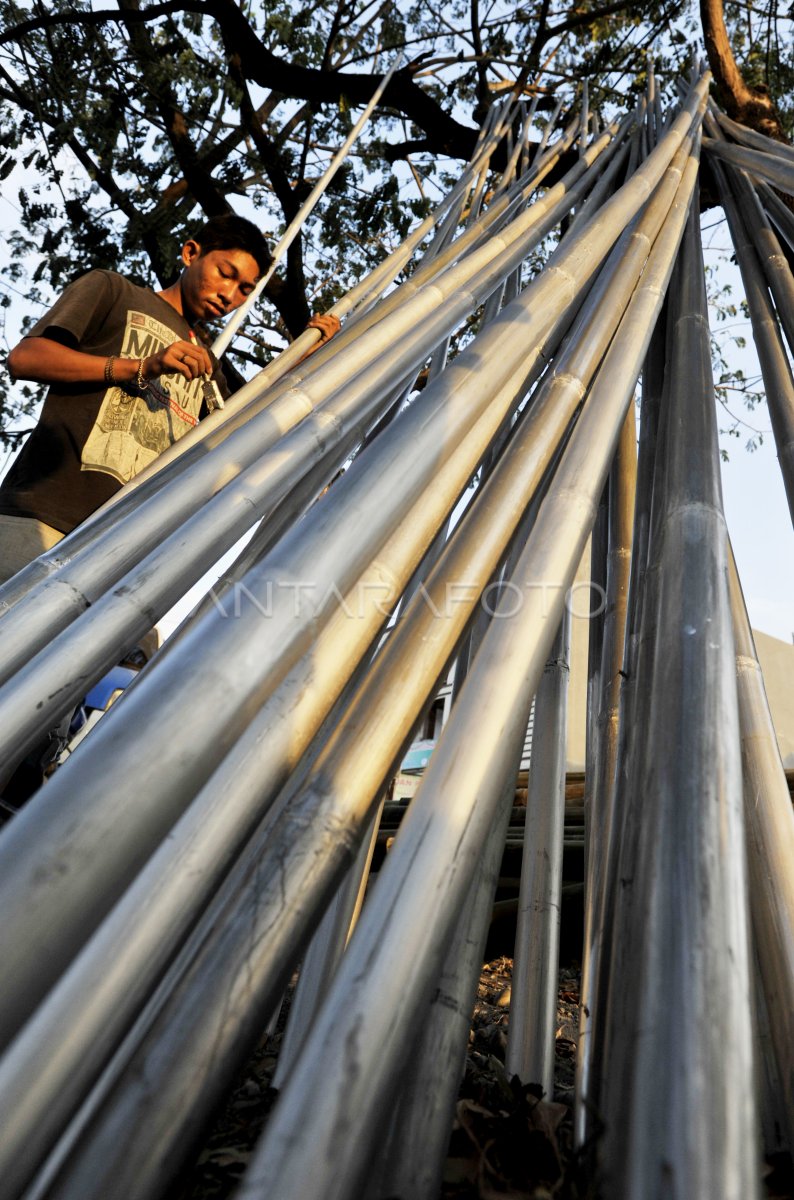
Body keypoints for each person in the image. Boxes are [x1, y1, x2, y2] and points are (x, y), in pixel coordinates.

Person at [0, 212, 340, 584]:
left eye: (245, 289)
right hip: (39, 522)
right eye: (226, 273)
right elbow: (26, 358)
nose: (229, 295)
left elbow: (260, 423)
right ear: (191, 253)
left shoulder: (212, 368)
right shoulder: (113, 290)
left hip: (125, 560)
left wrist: (309, 358)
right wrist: (141, 366)